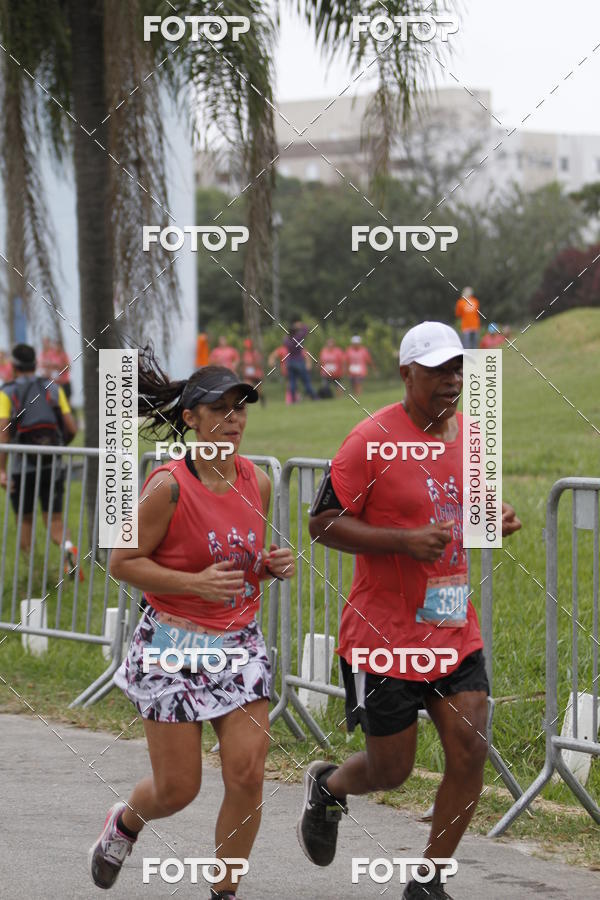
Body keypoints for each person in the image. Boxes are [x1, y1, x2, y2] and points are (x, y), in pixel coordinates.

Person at [297, 321, 521, 899]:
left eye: (458, 370)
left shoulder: (472, 437)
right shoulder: (368, 440)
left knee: (470, 750)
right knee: (391, 770)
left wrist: (495, 518)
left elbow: (469, 508)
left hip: (451, 624)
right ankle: (330, 786)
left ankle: (428, 881)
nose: (453, 381)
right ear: (406, 374)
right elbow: (321, 524)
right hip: (383, 634)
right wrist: (402, 541)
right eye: (438, 371)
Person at [89, 354, 295, 897]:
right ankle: (125, 822)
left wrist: (268, 566)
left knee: (248, 774)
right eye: (219, 409)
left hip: (238, 643)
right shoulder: (167, 485)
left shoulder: (258, 481)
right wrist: (194, 584)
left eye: (240, 408)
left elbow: (237, 562)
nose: (233, 419)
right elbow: (121, 561)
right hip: (173, 642)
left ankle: (224, 891)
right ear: (191, 419)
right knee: (178, 789)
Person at [0, 343, 80, 575]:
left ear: (13, 366)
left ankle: (32, 574)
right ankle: (69, 551)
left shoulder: (7, 392)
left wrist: (1, 470)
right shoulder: (52, 388)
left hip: (21, 468)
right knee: (55, 522)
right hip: (52, 465)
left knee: (25, 521)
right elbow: (72, 428)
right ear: (35, 364)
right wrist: (57, 448)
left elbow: (3, 435)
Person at [285, 320, 317, 402]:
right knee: (306, 381)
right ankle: (314, 397)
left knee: (292, 382)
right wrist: (301, 325)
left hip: (290, 362)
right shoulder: (298, 338)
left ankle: (293, 399)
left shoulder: (286, 340)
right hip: (299, 361)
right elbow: (306, 330)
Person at [241, 338, 266, 406]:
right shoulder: (245, 354)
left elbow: (259, 364)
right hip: (248, 375)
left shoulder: (255, 353)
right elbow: (244, 364)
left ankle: (262, 400)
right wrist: (244, 370)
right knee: (247, 387)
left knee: (259, 391)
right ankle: (245, 404)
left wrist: (253, 363)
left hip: (257, 374)